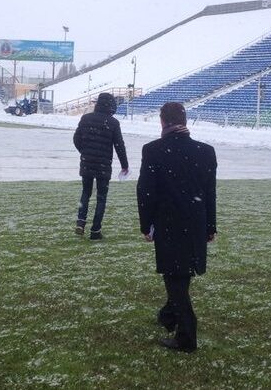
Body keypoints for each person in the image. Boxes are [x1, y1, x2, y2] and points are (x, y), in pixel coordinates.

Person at [136, 102, 217, 353]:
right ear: (184, 120)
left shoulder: (153, 150)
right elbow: (210, 193)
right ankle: (169, 315)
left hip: (169, 222)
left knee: (175, 278)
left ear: (162, 122)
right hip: (194, 221)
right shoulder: (206, 151)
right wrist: (210, 226)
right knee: (181, 272)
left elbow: (146, 192)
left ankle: (186, 335)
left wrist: (145, 224)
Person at [73, 92, 128, 240]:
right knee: (101, 197)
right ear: (111, 106)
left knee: (86, 192)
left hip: (87, 162)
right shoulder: (113, 123)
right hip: (103, 164)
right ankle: (95, 231)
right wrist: (125, 165)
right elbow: (119, 145)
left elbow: (76, 138)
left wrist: (84, 152)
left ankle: (81, 221)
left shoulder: (85, 118)